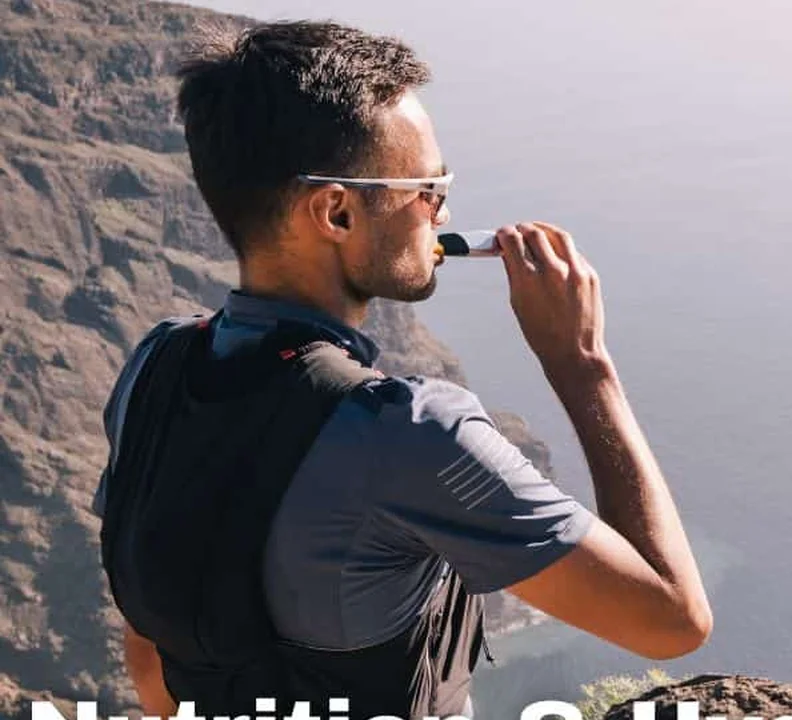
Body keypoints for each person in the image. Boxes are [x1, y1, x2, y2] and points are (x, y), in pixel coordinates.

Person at [92, 20, 711, 719]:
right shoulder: (410, 433)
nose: (441, 213)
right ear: (336, 211)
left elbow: (149, 653)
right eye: (427, 189)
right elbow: (672, 620)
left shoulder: (156, 366)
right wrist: (581, 363)